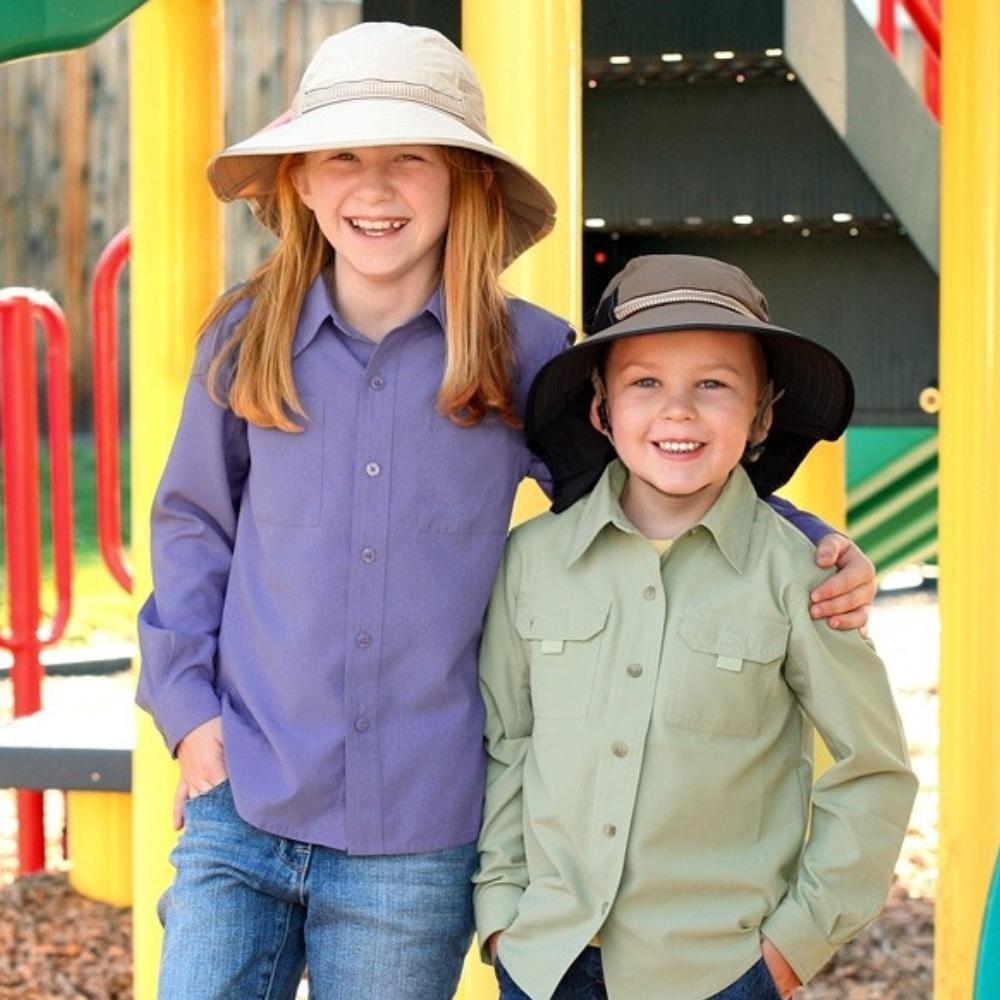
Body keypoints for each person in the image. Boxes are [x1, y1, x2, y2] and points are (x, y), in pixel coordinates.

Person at [136, 21, 877, 1000]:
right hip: (245, 794)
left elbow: (640, 493)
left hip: (417, 837)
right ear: (301, 181)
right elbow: (194, 527)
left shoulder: (525, 354)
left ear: (466, 183)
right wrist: (190, 718)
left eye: (411, 158)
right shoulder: (246, 337)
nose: (374, 187)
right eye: (344, 156)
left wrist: (809, 543)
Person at [473, 255, 918, 1000]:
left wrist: (792, 946)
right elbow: (505, 745)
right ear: (601, 409)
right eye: (645, 383)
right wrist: (500, 913)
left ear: (762, 415)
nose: (678, 411)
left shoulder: (804, 576)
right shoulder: (530, 561)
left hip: (718, 969)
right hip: (544, 958)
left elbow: (874, 771)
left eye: (713, 384)